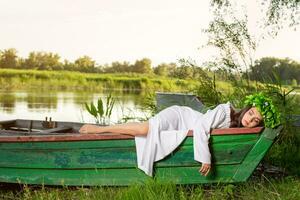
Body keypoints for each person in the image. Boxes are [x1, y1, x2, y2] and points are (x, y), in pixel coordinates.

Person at [79, 93, 280, 177]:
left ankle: (101, 128)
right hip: (180, 117)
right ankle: (97, 129)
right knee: (144, 130)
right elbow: (201, 127)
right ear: (247, 108)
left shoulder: (235, 126)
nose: (250, 120)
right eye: (251, 113)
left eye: (256, 121)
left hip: (186, 125)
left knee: (144, 129)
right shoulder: (225, 111)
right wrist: (205, 158)